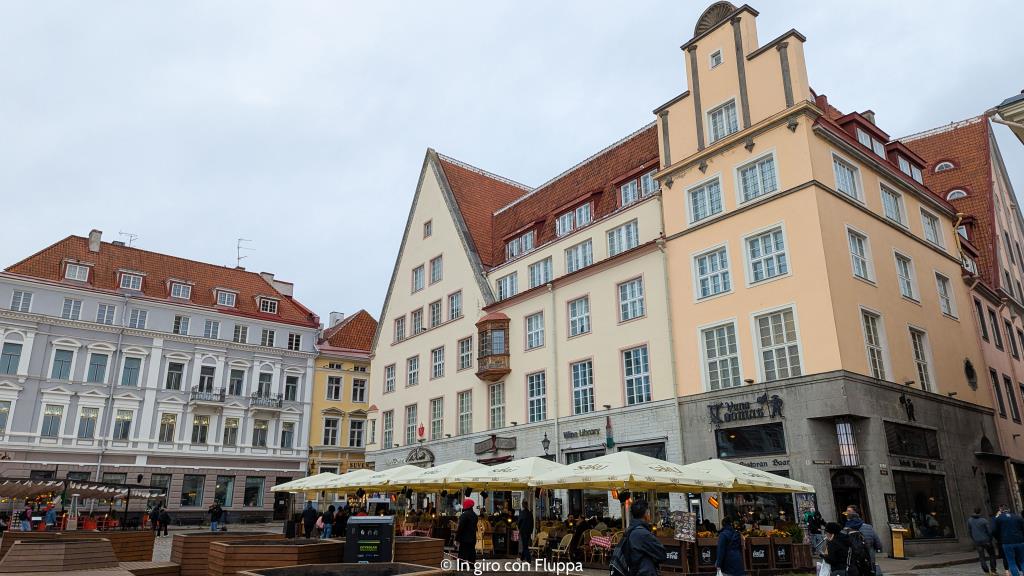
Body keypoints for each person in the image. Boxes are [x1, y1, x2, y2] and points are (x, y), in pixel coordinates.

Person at [624, 500, 666, 576]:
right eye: (649, 512)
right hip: (644, 572)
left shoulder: (630, 529)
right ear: (646, 514)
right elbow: (662, 554)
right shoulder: (642, 534)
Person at [993, 505, 1024, 576]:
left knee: (1011, 561)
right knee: (1022, 561)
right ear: (1009, 509)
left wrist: (999, 539)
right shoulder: (1018, 517)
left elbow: (994, 531)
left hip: (1007, 542)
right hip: (1020, 541)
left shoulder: (998, 519)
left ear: (1000, 510)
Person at [968, 507, 997, 574]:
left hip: (977, 541)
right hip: (986, 540)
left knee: (981, 556)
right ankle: (993, 570)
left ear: (974, 511)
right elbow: (989, 531)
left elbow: (969, 531)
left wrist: (974, 538)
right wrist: (990, 539)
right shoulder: (984, 520)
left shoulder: (970, 520)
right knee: (992, 555)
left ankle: (986, 571)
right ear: (980, 512)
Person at [455, 498, 478, 564]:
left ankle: (463, 569)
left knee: (463, 555)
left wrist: (457, 538)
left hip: (464, 539)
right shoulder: (475, 516)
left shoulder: (464, 515)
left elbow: (460, 528)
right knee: (472, 554)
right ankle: (471, 567)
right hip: (473, 538)